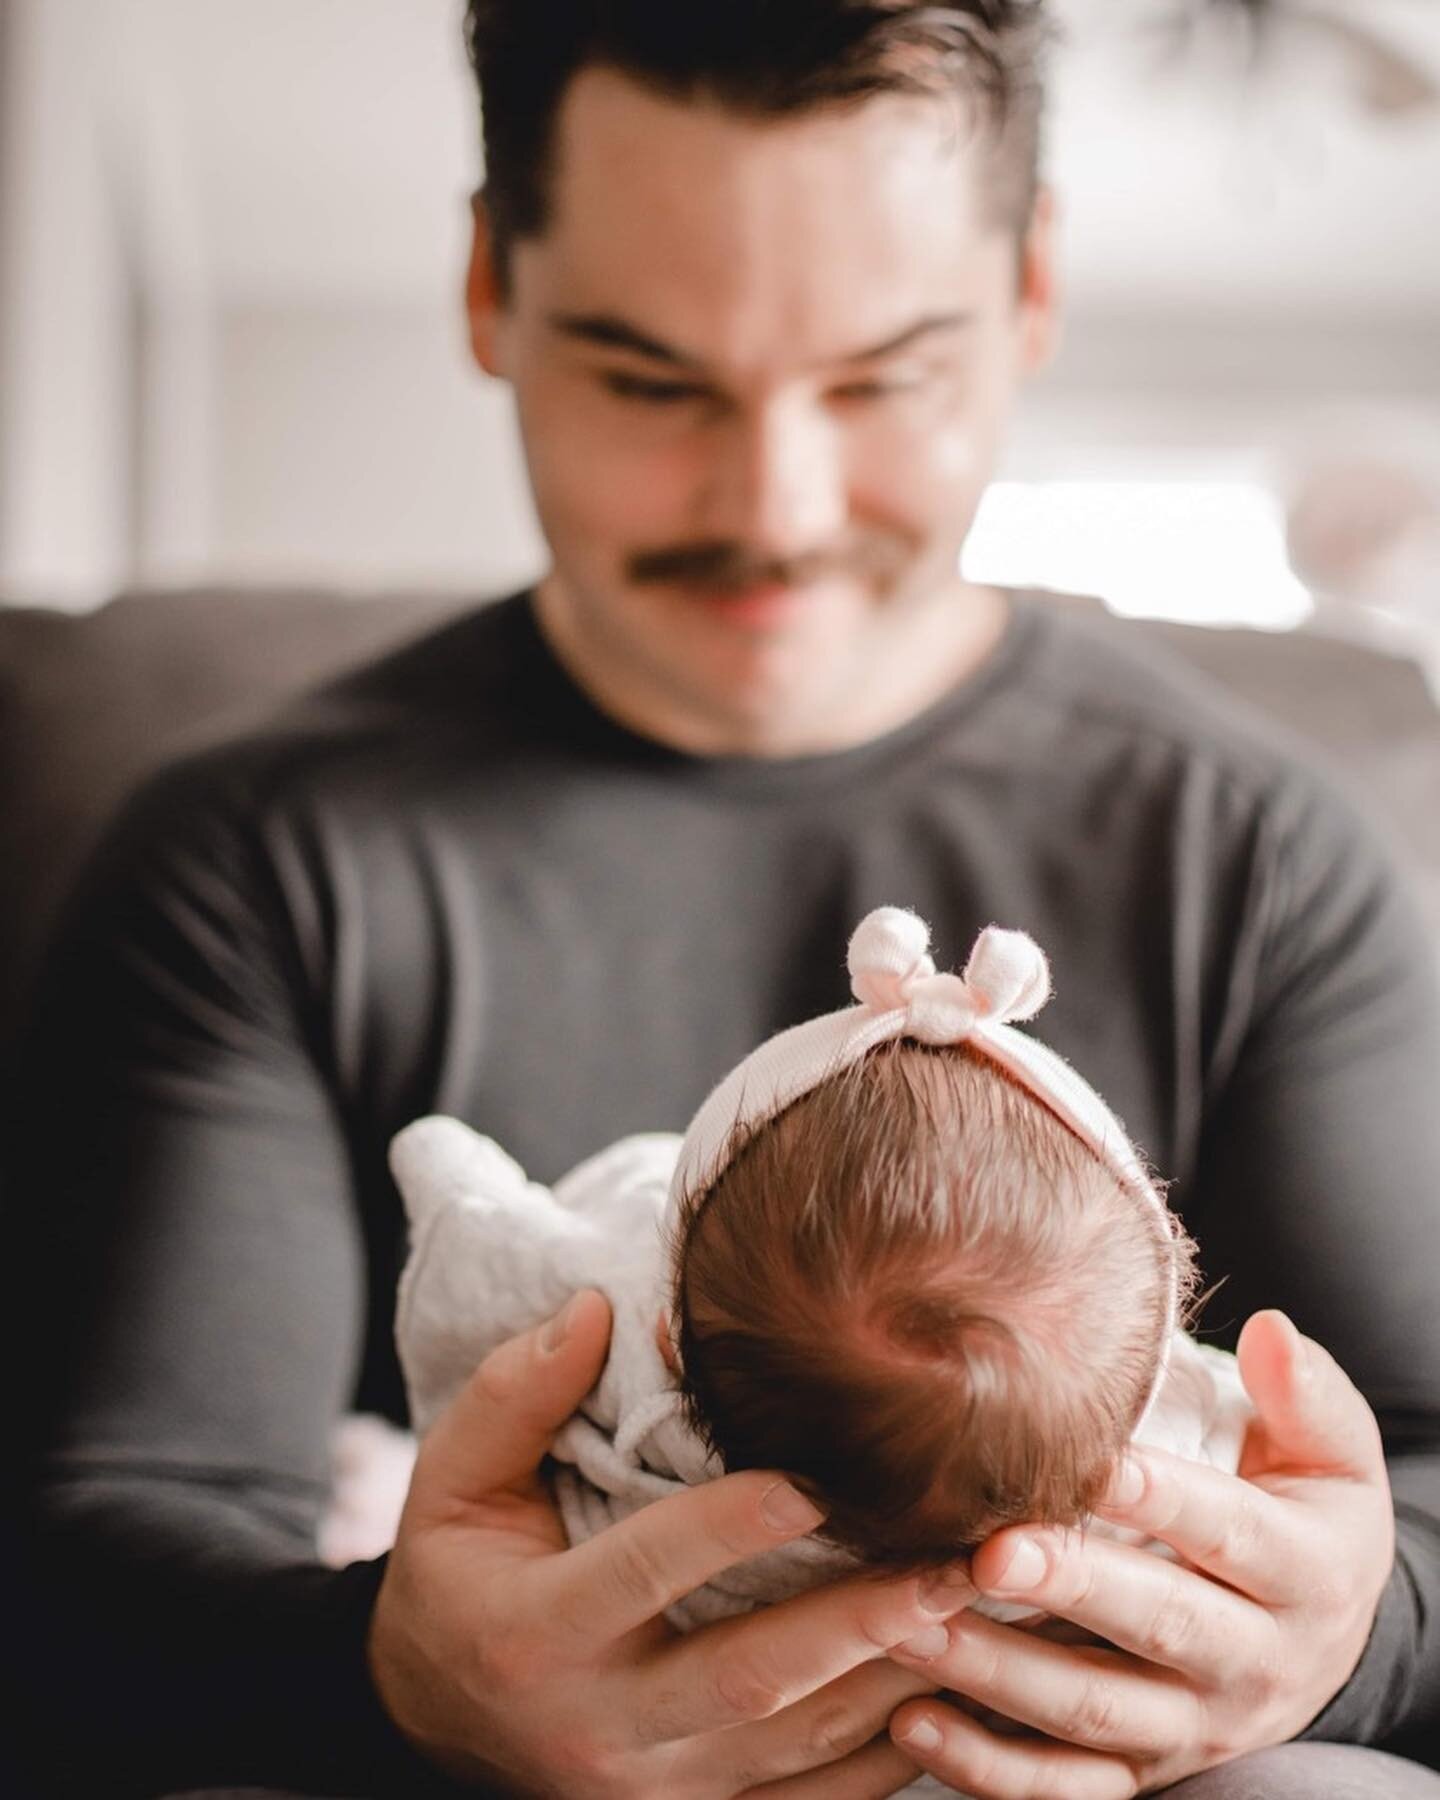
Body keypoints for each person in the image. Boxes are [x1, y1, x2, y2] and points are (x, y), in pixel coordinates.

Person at [6, 3, 1439, 1797]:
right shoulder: (251, 864)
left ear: (1030, 293)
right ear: (488, 288)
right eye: (649, 379)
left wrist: (1339, 1646)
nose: (776, 503)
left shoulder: (1264, 855)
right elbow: (92, 1574)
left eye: (882, 375)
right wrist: (390, 1676)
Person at [390, 907, 1253, 1672]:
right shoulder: (1181, 1462)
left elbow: (486, 1254)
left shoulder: (616, 1353)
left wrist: (447, 1174)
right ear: (1148, 1375)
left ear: (667, 1337)